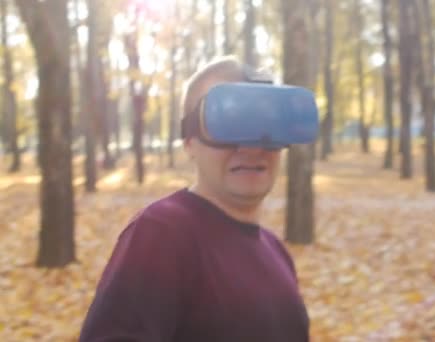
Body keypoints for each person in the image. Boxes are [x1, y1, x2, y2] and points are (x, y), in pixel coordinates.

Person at [79, 56, 310, 341]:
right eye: (227, 125)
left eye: (265, 128)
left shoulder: (276, 250)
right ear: (190, 142)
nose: (251, 148)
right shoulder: (163, 232)